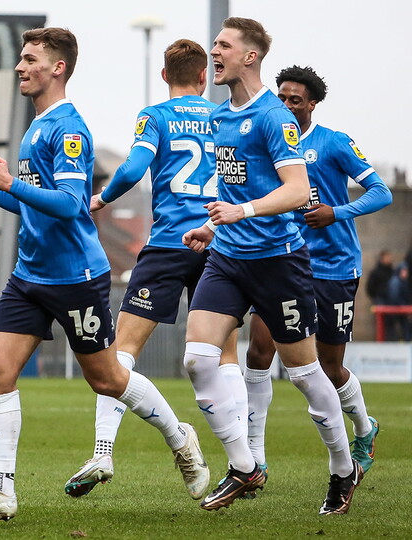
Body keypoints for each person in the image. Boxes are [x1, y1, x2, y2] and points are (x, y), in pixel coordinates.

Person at [0, 27, 209, 522]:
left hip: (75, 278)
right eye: (21, 59)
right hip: (29, 274)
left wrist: (11, 181)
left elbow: (68, 205)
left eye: (29, 59)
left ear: (57, 67)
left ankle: (179, 436)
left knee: (106, 379)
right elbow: (28, 205)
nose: (20, 67)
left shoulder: (69, 128)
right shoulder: (36, 126)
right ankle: (0, 487)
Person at [181, 18, 359, 514]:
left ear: (249, 56)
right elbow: (234, 190)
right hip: (227, 258)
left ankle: (344, 471)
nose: (213, 51)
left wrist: (243, 211)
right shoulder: (218, 118)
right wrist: (215, 227)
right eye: (214, 44)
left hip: (279, 263)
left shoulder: (273, 117)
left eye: (223, 45)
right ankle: (244, 466)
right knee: (197, 358)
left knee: (305, 373)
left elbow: (299, 191)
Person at [66, 38, 243, 498]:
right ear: (204, 77)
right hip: (221, 243)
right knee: (224, 356)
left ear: (165, 76)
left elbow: (133, 167)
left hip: (167, 245)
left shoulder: (156, 116)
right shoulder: (225, 116)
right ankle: (245, 461)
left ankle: (103, 451)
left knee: (120, 351)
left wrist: (103, 197)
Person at [242, 65, 391, 490]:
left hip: (333, 268)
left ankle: (364, 428)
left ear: (312, 104)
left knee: (329, 367)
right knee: (257, 352)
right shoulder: (267, 140)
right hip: (281, 262)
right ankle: (255, 457)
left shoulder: (333, 143)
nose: (287, 105)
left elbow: (382, 192)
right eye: (282, 97)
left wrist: (336, 212)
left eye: (296, 100)